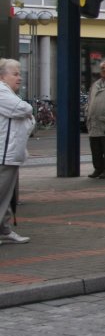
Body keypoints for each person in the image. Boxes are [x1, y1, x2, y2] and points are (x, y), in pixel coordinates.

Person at [0, 58, 35, 246]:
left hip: (10, 154)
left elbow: (30, 121)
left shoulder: (8, 93)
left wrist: (27, 115)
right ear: (2, 76)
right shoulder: (1, 92)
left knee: (5, 196)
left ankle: (4, 230)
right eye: (15, 74)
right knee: (1, 194)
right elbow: (22, 109)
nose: (19, 78)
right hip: (4, 154)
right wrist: (27, 111)